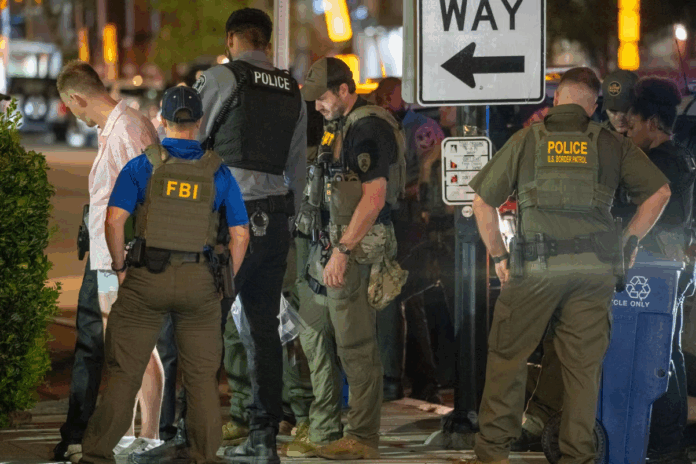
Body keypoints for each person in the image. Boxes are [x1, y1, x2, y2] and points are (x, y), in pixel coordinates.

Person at [461, 67, 671, 464]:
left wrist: (500, 257)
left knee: (508, 358)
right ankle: (577, 456)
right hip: (593, 273)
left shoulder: (527, 140)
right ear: (593, 105)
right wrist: (629, 241)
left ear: (557, 99)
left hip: (535, 269)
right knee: (582, 370)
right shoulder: (611, 144)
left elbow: (482, 203)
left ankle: (492, 453)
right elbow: (660, 192)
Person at [78, 85, 250, 464]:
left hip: (147, 278)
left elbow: (114, 220)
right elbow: (240, 234)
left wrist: (120, 268)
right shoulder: (217, 171)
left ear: (163, 120)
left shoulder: (143, 165)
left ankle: (97, 453)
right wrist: (225, 282)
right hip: (198, 280)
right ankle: (204, 454)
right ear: (199, 121)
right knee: (201, 378)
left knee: (126, 371)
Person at [194, 8, 306, 464]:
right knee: (264, 332)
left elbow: (189, 141)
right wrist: (285, 224)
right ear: (266, 41)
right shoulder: (292, 89)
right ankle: (263, 440)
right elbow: (297, 167)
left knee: (203, 324)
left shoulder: (221, 78)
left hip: (229, 223)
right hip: (275, 221)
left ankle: (193, 435)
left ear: (232, 39)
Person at [513, 69, 642, 452]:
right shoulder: (593, 141)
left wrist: (630, 239)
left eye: (626, 111)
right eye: (613, 111)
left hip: (621, 261)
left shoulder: (636, 146)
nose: (620, 118)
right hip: (586, 259)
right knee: (560, 342)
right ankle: (546, 420)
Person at [292, 56, 407, 460]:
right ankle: (324, 428)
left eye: (322, 98)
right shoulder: (339, 125)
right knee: (312, 331)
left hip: (352, 252)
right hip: (327, 249)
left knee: (355, 347)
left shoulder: (368, 128)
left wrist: (342, 252)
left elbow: (374, 197)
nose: (317, 106)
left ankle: (361, 436)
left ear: (344, 90)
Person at [53, 60, 163, 463]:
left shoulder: (127, 132)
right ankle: (121, 435)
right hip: (108, 259)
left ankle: (140, 437)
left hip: (120, 260)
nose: (74, 114)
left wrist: (124, 265)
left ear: (77, 98)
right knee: (111, 346)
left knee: (129, 349)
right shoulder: (118, 128)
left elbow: (147, 198)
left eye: (71, 107)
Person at [625, 77, 696, 464]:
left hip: (655, 268)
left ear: (652, 123)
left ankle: (665, 443)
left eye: (633, 124)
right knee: (669, 354)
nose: (629, 132)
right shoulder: (683, 156)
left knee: (656, 356)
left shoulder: (657, 163)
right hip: (676, 266)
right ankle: (670, 442)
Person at [372, 77, 442, 403]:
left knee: (403, 302)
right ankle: (420, 382)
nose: (386, 101)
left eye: (388, 96)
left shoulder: (420, 128)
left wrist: (404, 192)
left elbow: (433, 173)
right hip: (395, 221)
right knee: (406, 305)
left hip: (411, 222)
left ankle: (413, 381)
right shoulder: (393, 125)